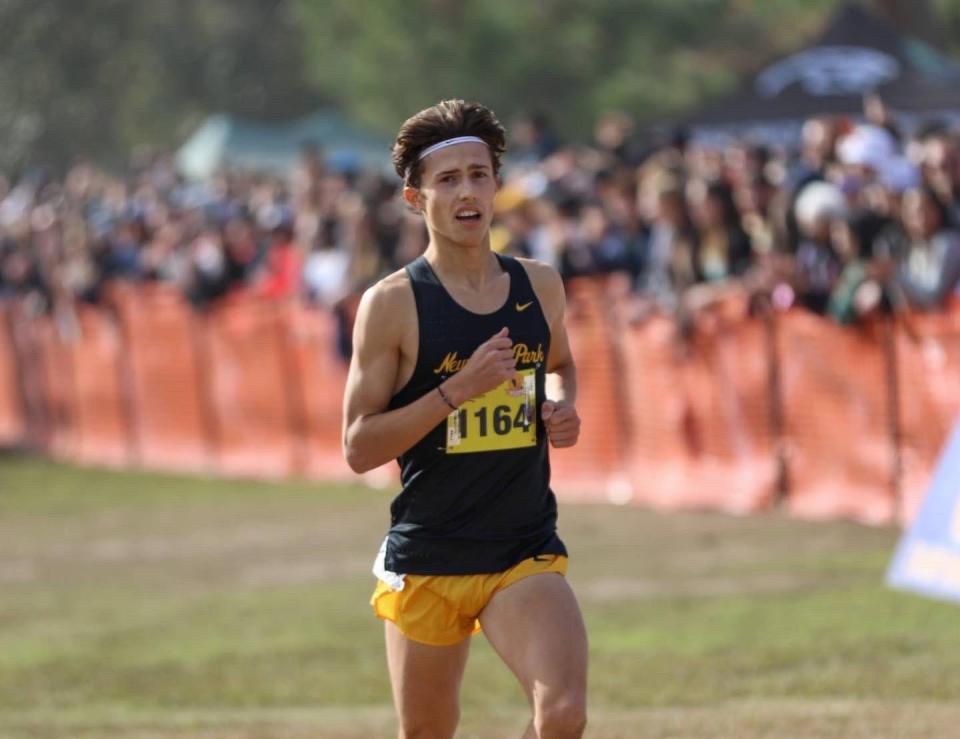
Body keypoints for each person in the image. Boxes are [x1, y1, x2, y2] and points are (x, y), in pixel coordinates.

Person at [342, 99, 587, 739]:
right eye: (447, 180)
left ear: (497, 185)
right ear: (414, 198)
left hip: (522, 545)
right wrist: (457, 391)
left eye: (478, 174)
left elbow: (559, 361)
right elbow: (359, 447)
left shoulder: (541, 285)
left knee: (561, 715)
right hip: (430, 551)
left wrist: (562, 407)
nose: (467, 191)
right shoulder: (392, 304)